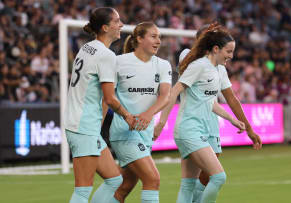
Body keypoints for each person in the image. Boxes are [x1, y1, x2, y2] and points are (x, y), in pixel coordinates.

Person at [154, 23, 262, 203]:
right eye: (229, 51)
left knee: (189, 185)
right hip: (190, 129)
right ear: (215, 48)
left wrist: (234, 120)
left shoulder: (217, 69)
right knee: (218, 177)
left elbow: (211, 102)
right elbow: (174, 92)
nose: (231, 56)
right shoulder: (198, 65)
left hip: (200, 129)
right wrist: (161, 124)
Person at [64, 7, 135, 203]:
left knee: (114, 180)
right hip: (83, 126)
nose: (121, 24)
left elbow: (104, 99)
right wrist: (128, 116)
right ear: (105, 27)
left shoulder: (87, 47)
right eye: (117, 21)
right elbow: (110, 98)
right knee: (82, 191)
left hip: (84, 125)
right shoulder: (106, 55)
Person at [110, 22, 172, 203]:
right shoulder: (118, 62)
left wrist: (148, 115)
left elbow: (165, 96)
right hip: (124, 132)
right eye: (153, 36)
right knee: (152, 179)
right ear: (139, 38)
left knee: (124, 188)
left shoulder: (163, 65)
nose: (158, 41)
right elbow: (108, 97)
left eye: (159, 37)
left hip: (145, 133)